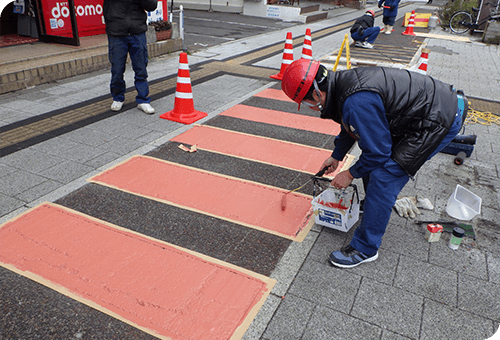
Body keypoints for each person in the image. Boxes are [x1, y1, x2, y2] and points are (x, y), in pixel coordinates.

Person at [281, 59, 467, 268]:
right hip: (427, 111)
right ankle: (374, 208)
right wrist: (337, 156)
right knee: (372, 161)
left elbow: (378, 152)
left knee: (384, 176)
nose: (311, 108)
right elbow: (349, 124)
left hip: (439, 120)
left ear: (316, 93)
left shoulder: (356, 101)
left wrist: (349, 173)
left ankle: (365, 248)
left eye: (307, 104)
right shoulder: (342, 85)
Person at [103, 0, 157, 114]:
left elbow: (152, 5)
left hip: (137, 31)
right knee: (117, 69)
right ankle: (117, 98)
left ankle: (143, 99)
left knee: (141, 68)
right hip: (116, 31)